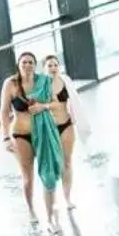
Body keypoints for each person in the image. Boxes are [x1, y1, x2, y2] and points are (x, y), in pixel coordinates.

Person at [0, 51, 61, 225]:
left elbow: (57, 103)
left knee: (47, 172)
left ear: (35, 65)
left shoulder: (43, 81)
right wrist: (5, 137)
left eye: (30, 62)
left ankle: (50, 212)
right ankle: (31, 209)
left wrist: (43, 106)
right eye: (24, 62)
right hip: (21, 134)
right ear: (18, 64)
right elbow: (3, 112)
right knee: (28, 176)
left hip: (43, 132)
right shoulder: (10, 84)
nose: (27, 65)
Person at [42, 54, 78, 209]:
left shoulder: (65, 81)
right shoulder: (40, 85)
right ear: (44, 68)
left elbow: (76, 101)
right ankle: (52, 199)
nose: (53, 68)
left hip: (66, 125)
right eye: (49, 65)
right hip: (50, 128)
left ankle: (67, 198)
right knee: (53, 165)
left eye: (55, 65)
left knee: (67, 162)